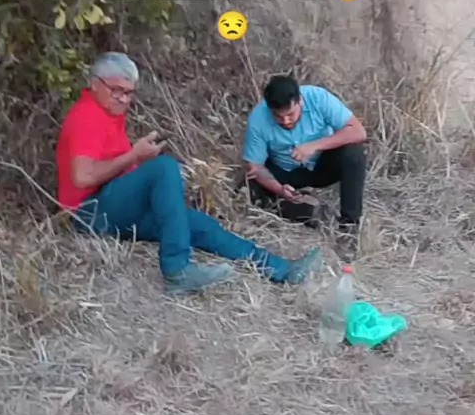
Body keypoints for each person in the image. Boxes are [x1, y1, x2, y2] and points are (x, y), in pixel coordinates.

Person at [56, 53, 322, 293]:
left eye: (129, 93)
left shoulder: (108, 113)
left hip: (114, 206)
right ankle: (176, 269)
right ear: (95, 83)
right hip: (89, 213)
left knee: (199, 224)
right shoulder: (87, 116)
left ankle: (282, 270)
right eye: (117, 91)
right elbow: (82, 177)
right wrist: (134, 157)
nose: (124, 99)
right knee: (164, 167)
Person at [243, 74, 366, 235]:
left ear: (300, 100)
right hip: (286, 171)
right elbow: (255, 166)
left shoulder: (318, 98)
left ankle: (349, 227)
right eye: (278, 116)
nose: (286, 121)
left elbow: (358, 131)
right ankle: (306, 210)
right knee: (250, 184)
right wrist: (279, 189)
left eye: (290, 114)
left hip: (322, 164)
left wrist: (315, 145)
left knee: (354, 153)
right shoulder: (257, 119)